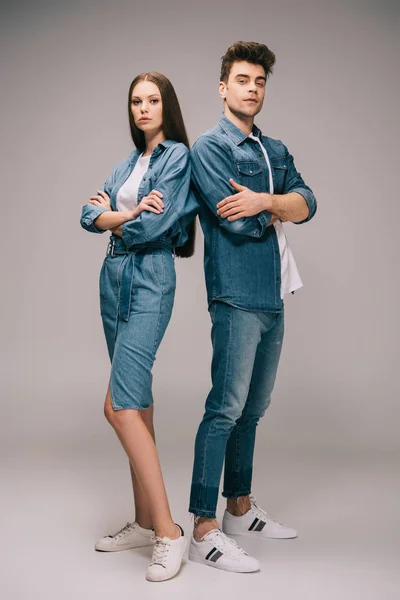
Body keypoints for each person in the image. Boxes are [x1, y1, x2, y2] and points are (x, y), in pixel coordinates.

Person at [188, 42, 317, 573]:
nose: (252, 89)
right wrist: (277, 208)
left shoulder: (275, 148)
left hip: (273, 295)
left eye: (260, 81)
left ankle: (238, 507)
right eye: (243, 80)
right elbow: (232, 222)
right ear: (223, 87)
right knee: (225, 407)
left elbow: (308, 202)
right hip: (235, 295)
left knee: (253, 410)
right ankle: (203, 526)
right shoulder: (210, 148)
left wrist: (267, 201)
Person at [80, 72, 198, 582]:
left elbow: (157, 226)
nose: (144, 108)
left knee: (119, 404)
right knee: (139, 401)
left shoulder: (176, 157)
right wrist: (121, 213)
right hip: (114, 279)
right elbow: (86, 214)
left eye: (152, 100)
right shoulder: (130, 164)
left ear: (166, 106)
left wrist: (115, 214)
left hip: (150, 278)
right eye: (136, 101)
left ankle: (170, 532)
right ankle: (146, 520)